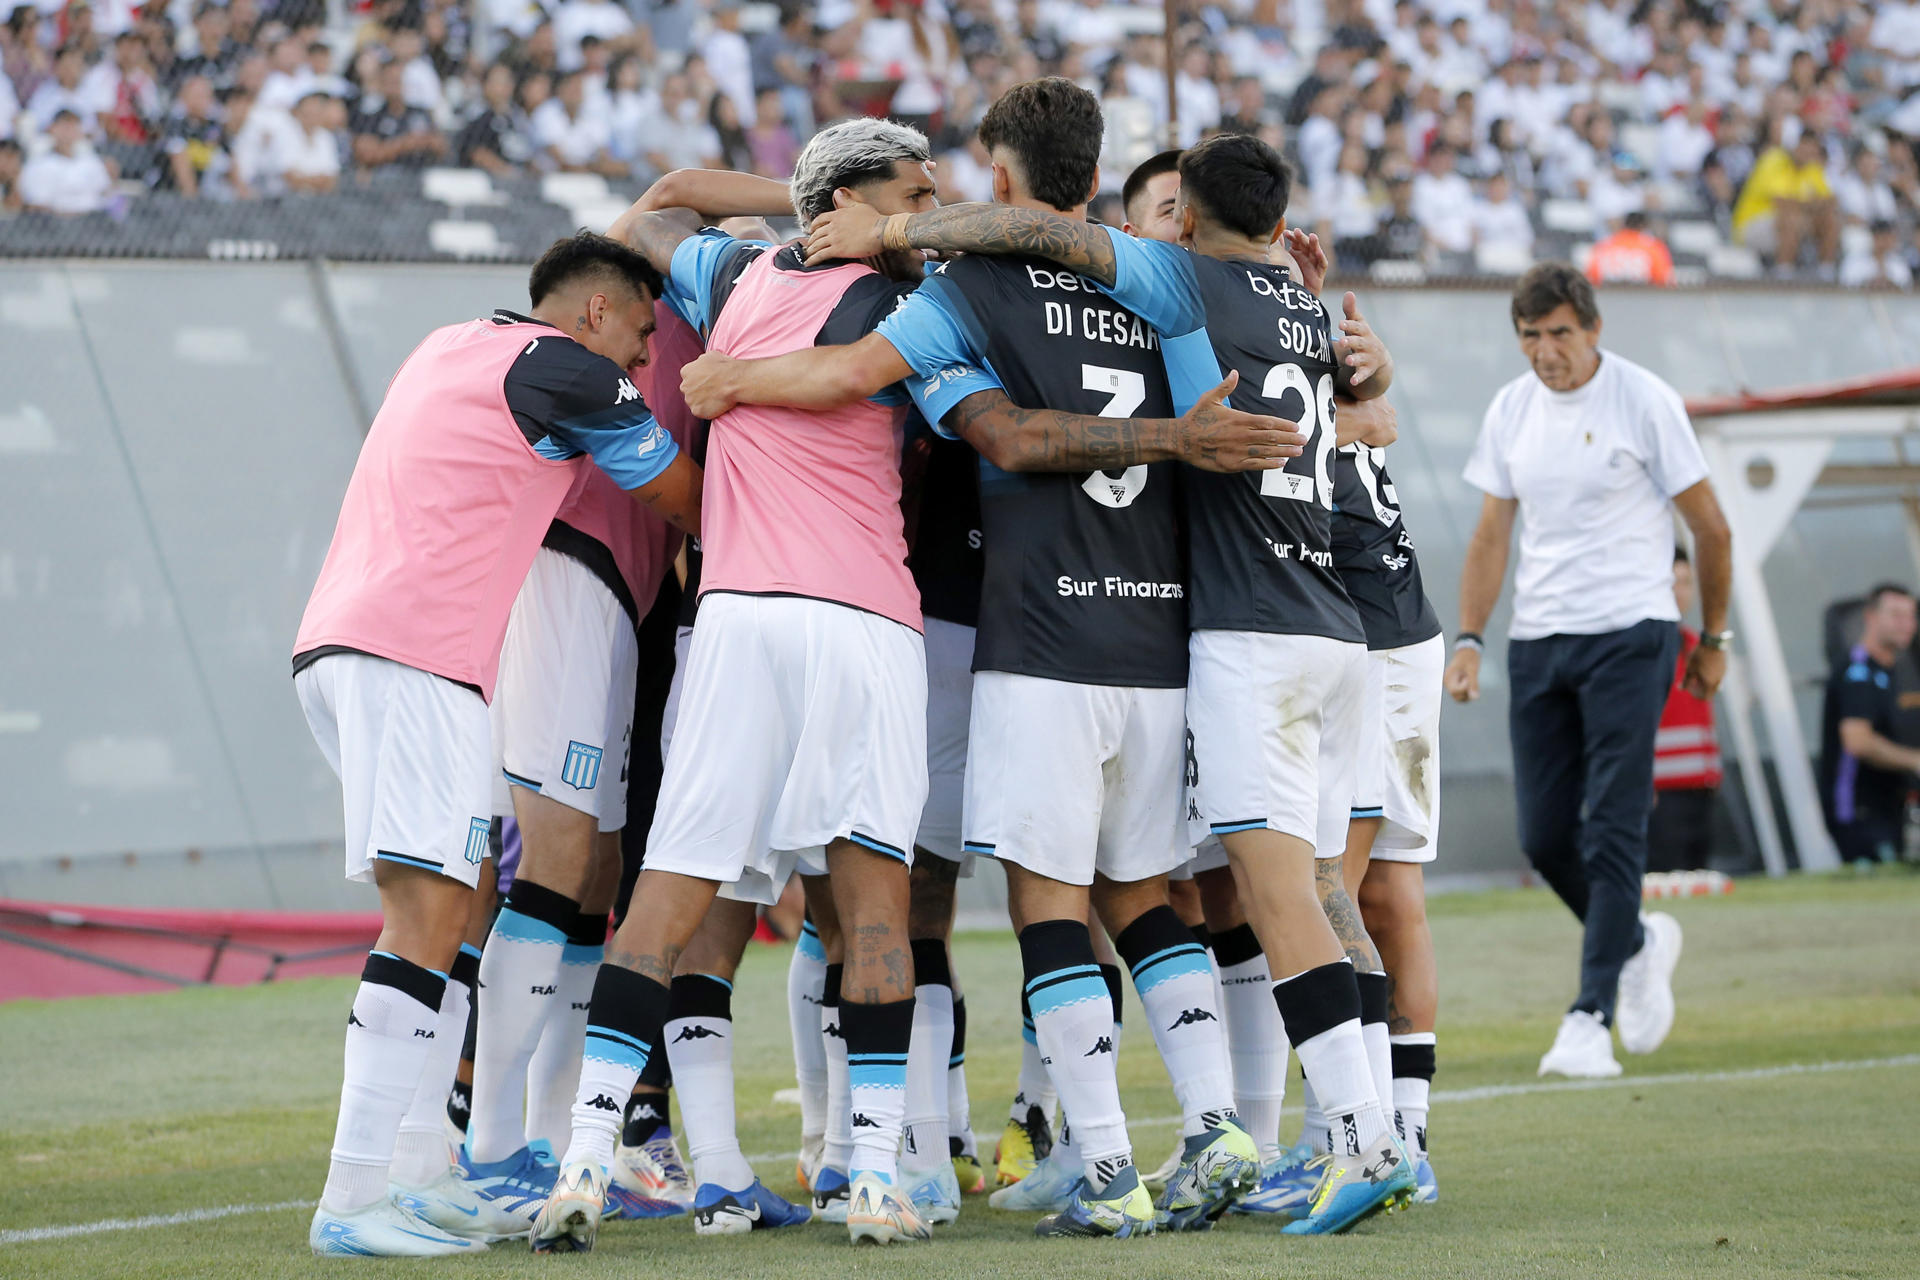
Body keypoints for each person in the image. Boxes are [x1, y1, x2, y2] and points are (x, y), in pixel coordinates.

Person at [682, 84, 1308, 1239]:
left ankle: (1087, 1166)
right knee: (1143, 895)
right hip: (1160, 637)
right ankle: (1217, 1121)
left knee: (1023, 901)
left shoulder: (966, 287)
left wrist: (730, 378)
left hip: (1033, 637)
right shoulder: (1161, 282)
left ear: (1000, 179)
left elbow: (943, 413)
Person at [801, 129, 1422, 1235]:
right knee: (1195, 895)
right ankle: (1293, 1130)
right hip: (1287, 633)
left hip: (1177, 639)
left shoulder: (1147, 280)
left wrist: (883, 233)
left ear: (1185, 222)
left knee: (1151, 896)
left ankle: (1178, 1162)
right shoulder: (1294, 301)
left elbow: (1012, 291)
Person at [291, 232, 700, 1256]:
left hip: (352, 641)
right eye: (644, 336)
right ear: (597, 313)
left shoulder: (449, 343)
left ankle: (423, 1169)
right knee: (427, 914)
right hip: (417, 654)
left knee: (465, 889)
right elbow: (681, 496)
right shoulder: (564, 366)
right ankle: (353, 1198)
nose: (647, 363)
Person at [1446, 263, 1732, 1079]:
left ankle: (1588, 1015)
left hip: (1632, 635)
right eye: (1530, 337)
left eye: (1560, 334)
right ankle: (1638, 940)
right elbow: (1491, 535)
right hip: (1539, 642)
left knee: (1612, 826)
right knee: (1544, 835)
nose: (1545, 353)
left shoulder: (1645, 399)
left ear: (1593, 329)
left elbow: (1711, 530)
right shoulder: (1511, 408)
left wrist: (1714, 639)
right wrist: (1468, 637)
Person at [1820, 584, 1920, 865]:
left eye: (1911, 616)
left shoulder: (1895, 670)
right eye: (1896, 615)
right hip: (1858, 810)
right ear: (1871, 617)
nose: (1906, 624)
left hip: (1892, 805)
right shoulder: (1858, 670)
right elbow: (1858, 740)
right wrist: (1915, 761)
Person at [1648, 548, 1724, 874]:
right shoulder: (1644, 647)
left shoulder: (1694, 643)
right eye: (1672, 582)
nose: (1680, 591)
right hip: (1660, 791)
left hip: (1700, 786)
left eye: (1687, 582)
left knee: (1697, 875)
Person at [18, 107, 112, 214]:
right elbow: (36, 205)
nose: (69, 131)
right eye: (65, 125)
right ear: (52, 129)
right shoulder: (37, 165)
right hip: (56, 224)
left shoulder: (92, 162)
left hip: (94, 221)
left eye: (73, 126)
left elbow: (106, 192)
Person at [1586, 210, 1675, 287]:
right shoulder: (1653, 248)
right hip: (1644, 301)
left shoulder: (1603, 246)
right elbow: (1663, 280)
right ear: (1644, 227)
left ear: (1624, 225)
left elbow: (1591, 277)